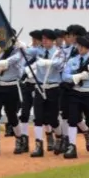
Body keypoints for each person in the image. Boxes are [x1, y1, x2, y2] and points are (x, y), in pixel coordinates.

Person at [60, 35, 89, 158]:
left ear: (88, 48)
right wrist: (76, 77)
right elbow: (64, 76)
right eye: (79, 46)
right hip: (75, 92)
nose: (80, 49)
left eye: (83, 47)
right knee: (72, 120)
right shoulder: (73, 60)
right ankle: (72, 147)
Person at [27, 29, 63, 157]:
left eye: (46, 39)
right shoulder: (38, 51)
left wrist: (49, 62)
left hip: (53, 88)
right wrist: (18, 45)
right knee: (38, 118)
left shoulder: (58, 52)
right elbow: (26, 52)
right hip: (40, 87)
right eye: (42, 39)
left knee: (53, 119)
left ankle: (59, 137)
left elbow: (60, 65)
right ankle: (38, 146)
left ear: (52, 41)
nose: (44, 41)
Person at [0, 41, 25, 156]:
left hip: (11, 87)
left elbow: (13, 61)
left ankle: (19, 139)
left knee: (12, 117)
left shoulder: (18, 52)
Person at [15, 30, 42, 154]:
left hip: (38, 86)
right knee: (24, 113)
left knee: (40, 115)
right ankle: (24, 142)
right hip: (26, 85)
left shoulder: (42, 52)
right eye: (33, 39)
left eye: (36, 39)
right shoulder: (28, 49)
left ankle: (46, 140)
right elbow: (21, 62)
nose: (34, 41)